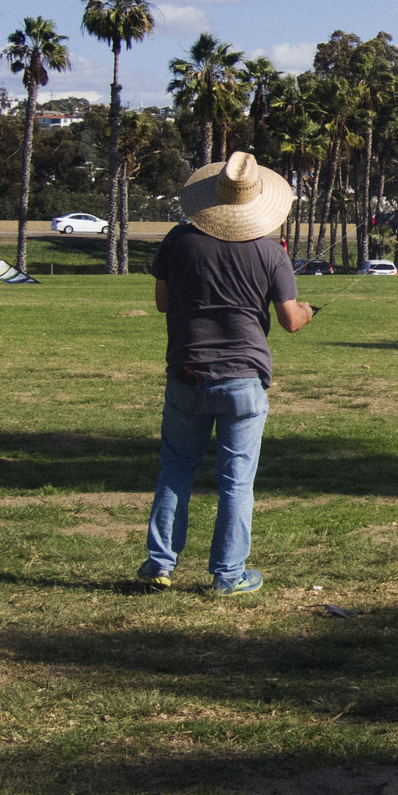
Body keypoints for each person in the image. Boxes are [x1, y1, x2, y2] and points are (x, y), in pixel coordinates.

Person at [139, 152, 312, 596]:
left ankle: (160, 565)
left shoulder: (179, 240)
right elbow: (291, 320)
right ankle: (228, 575)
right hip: (244, 378)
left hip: (187, 371)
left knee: (175, 470)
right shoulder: (271, 251)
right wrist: (307, 310)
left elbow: (162, 301)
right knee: (237, 482)